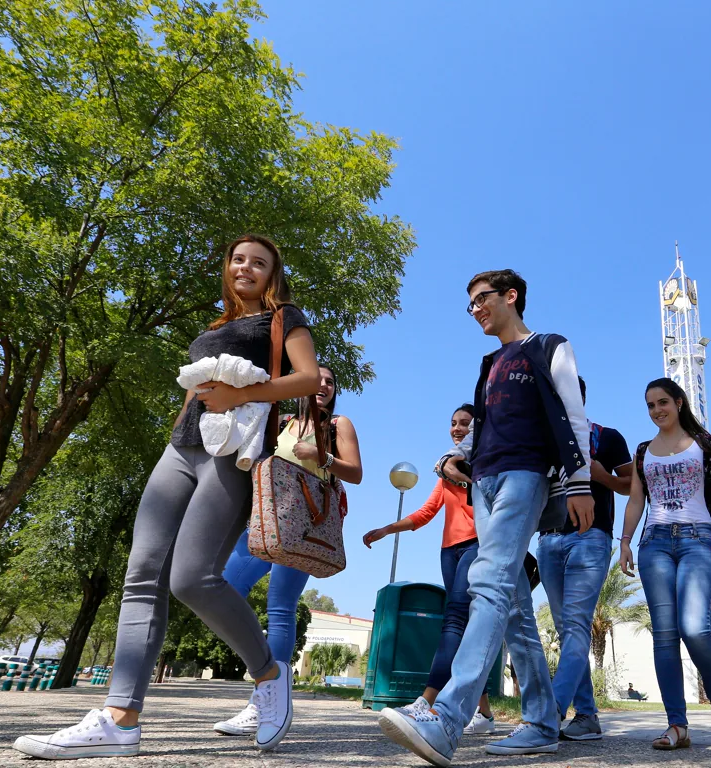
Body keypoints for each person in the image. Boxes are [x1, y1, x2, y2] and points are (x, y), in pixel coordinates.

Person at [13, 234, 319, 759]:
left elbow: (308, 379)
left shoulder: (284, 318)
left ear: (273, 274)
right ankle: (120, 719)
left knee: (191, 579)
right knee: (141, 575)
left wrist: (241, 395)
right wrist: (179, 432)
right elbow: (193, 394)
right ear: (227, 267)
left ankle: (269, 674)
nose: (246, 267)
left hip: (234, 455)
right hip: (180, 451)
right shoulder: (214, 328)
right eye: (238, 259)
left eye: (259, 263)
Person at [378, 269, 594, 764]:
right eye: (469, 303)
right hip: (485, 482)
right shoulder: (490, 363)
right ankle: (541, 722)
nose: (475, 309)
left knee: (489, 583)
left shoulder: (549, 345)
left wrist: (579, 483)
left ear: (511, 296)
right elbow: (481, 429)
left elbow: (573, 414)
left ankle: (447, 719)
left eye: (482, 299)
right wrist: (450, 457)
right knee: (513, 606)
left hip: (526, 475)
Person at [214, 364, 364, 735]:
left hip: (305, 527)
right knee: (221, 591)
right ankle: (269, 678)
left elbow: (356, 473)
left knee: (280, 609)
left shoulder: (337, 424)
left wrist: (321, 455)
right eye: (319, 379)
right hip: (264, 520)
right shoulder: (279, 422)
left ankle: (264, 702)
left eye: (331, 382)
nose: (324, 385)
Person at [618, 378, 711, 751]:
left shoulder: (702, 443)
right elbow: (637, 500)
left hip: (697, 540)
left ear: (679, 402)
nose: (657, 410)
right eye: (650, 405)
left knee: (693, 626)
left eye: (663, 403)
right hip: (654, 543)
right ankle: (677, 725)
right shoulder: (644, 451)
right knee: (665, 635)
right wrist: (624, 541)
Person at [361, 405, 497, 735]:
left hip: (478, 544)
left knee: (454, 619)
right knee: (462, 629)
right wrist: (386, 529)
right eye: (453, 423)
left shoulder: (486, 461)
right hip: (449, 551)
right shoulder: (442, 473)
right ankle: (486, 715)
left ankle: (427, 700)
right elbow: (425, 513)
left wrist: (463, 475)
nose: (457, 428)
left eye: (465, 423)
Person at [537, 376, 632, 741]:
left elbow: (630, 485)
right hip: (548, 541)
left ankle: (550, 715)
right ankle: (588, 716)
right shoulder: (541, 440)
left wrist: (602, 476)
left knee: (575, 628)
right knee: (568, 632)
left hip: (589, 539)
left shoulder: (607, 437)